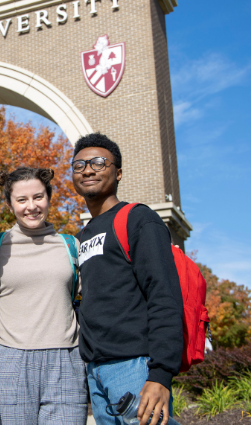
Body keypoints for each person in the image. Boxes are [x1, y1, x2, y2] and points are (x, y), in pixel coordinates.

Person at [71, 133, 183, 425]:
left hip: (136, 366)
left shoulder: (138, 219)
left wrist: (160, 373)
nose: (88, 169)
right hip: (96, 371)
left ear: (118, 172)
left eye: (99, 162)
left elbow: (164, 294)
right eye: (79, 164)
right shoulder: (82, 235)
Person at [0, 167, 88, 425]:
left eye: (38, 197)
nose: (32, 206)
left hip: (67, 362)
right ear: (10, 204)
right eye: (22, 200)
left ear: (49, 198)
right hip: (10, 361)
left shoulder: (71, 245)